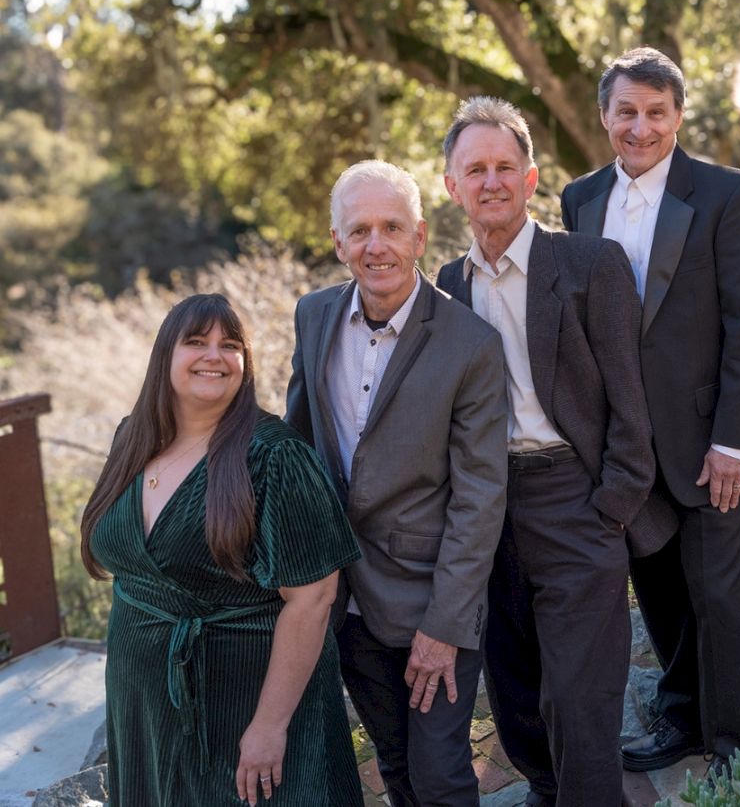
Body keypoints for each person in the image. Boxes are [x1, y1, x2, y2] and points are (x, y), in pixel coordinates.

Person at [561, 47, 740, 778]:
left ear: (679, 116)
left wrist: (735, 443)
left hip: (708, 437)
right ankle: (683, 720)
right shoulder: (579, 200)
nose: (641, 127)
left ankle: (733, 742)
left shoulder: (727, 197)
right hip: (622, 443)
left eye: (656, 112)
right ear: (605, 117)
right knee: (657, 590)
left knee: (719, 592)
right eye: (626, 112)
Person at [437, 96, 655, 806]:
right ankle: (547, 789)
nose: (492, 181)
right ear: (452, 186)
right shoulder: (443, 288)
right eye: (476, 169)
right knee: (513, 683)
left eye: (505, 166)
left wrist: (613, 505)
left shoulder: (591, 264)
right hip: (486, 509)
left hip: (574, 499)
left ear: (530, 178)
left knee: (581, 693)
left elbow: (630, 398)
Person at [79, 293, 364, 806]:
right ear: (165, 354)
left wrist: (268, 727)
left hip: (241, 702)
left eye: (229, 345)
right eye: (196, 342)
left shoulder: (274, 457)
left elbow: (313, 599)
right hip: (142, 703)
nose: (214, 355)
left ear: (244, 364)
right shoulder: (132, 438)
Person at [286, 160, 509, 805]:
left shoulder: (471, 345)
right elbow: (298, 447)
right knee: (395, 766)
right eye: (359, 231)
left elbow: (479, 496)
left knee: (440, 776)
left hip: (428, 599)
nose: (375, 245)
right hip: (343, 595)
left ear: (419, 235)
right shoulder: (313, 316)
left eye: (391, 228)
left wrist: (445, 625)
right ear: (337, 242)